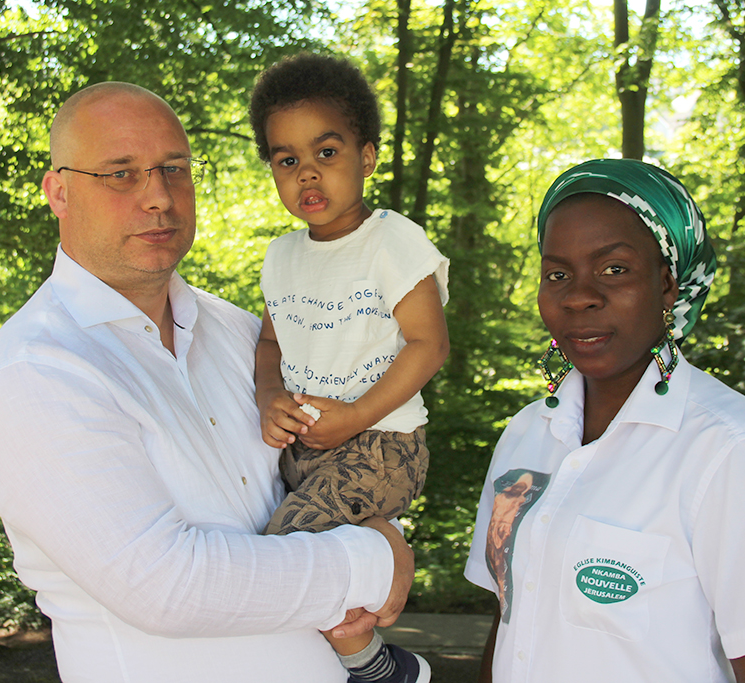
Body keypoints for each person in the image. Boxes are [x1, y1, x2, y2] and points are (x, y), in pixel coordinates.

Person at [0, 81, 416, 683]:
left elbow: (331, 473)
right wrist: (375, 558)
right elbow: (165, 587)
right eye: (120, 174)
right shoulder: (36, 371)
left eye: (173, 169)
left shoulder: (242, 335)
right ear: (59, 192)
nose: (158, 198)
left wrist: (371, 524)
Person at [465, 159, 745, 683]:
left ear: (668, 284)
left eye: (614, 269)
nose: (580, 295)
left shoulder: (732, 451)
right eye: (558, 274)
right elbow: (511, 615)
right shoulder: (527, 434)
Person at [248, 53, 450, 683]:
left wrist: (357, 416)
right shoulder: (281, 258)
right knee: (276, 540)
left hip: (381, 445)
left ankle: (371, 661)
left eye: (327, 153)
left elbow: (428, 344)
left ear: (366, 157)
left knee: (283, 554)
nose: (307, 174)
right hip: (309, 448)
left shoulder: (393, 241)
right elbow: (268, 346)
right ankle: (372, 663)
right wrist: (267, 396)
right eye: (287, 160)